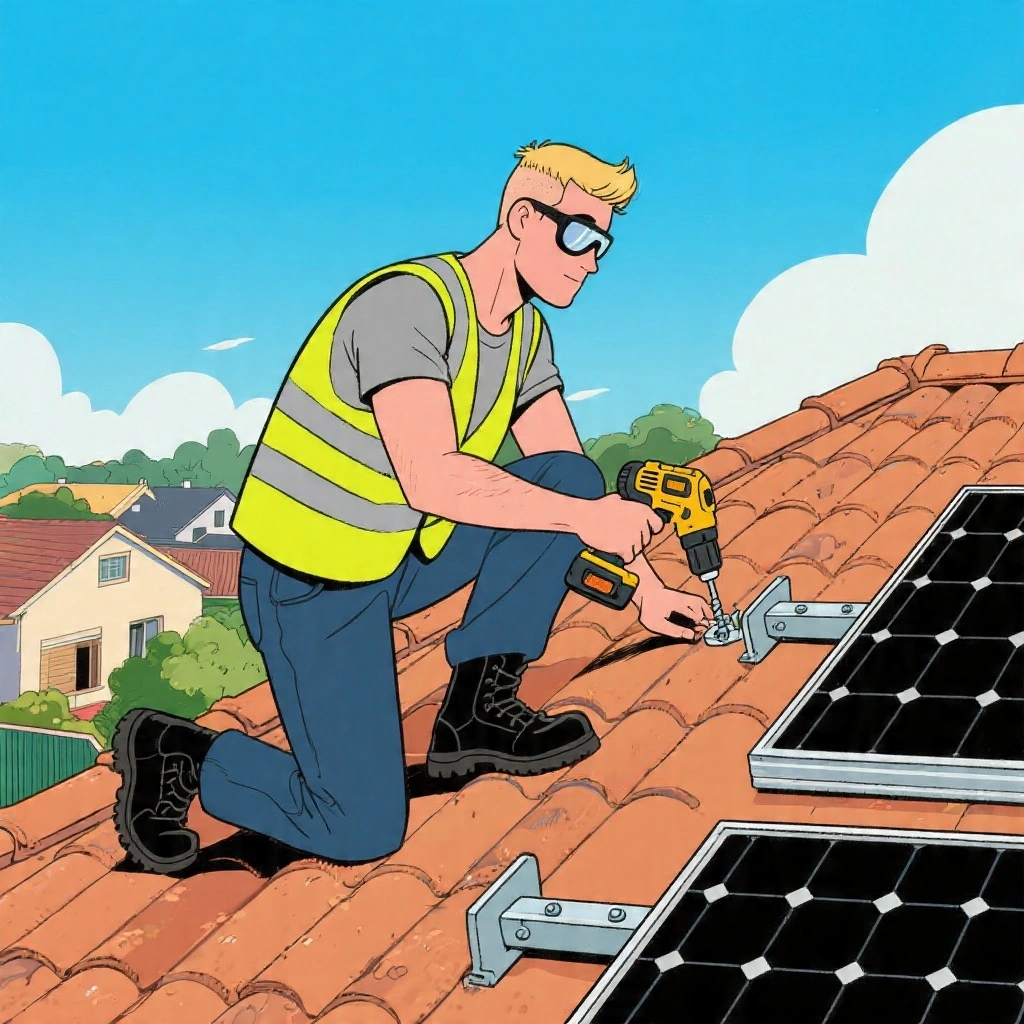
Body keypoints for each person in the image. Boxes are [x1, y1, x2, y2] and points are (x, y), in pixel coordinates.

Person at [111, 140, 714, 874]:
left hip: (399, 554)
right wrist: (588, 521)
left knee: (572, 477)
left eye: (603, 245)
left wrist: (647, 592)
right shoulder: (407, 305)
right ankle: (182, 753)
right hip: (311, 582)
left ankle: (477, 714)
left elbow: (568, 476)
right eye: (580, 235)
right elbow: (430, 477)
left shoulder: (526, 334)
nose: (591, 260)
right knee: (359, 827)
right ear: (523, 218)